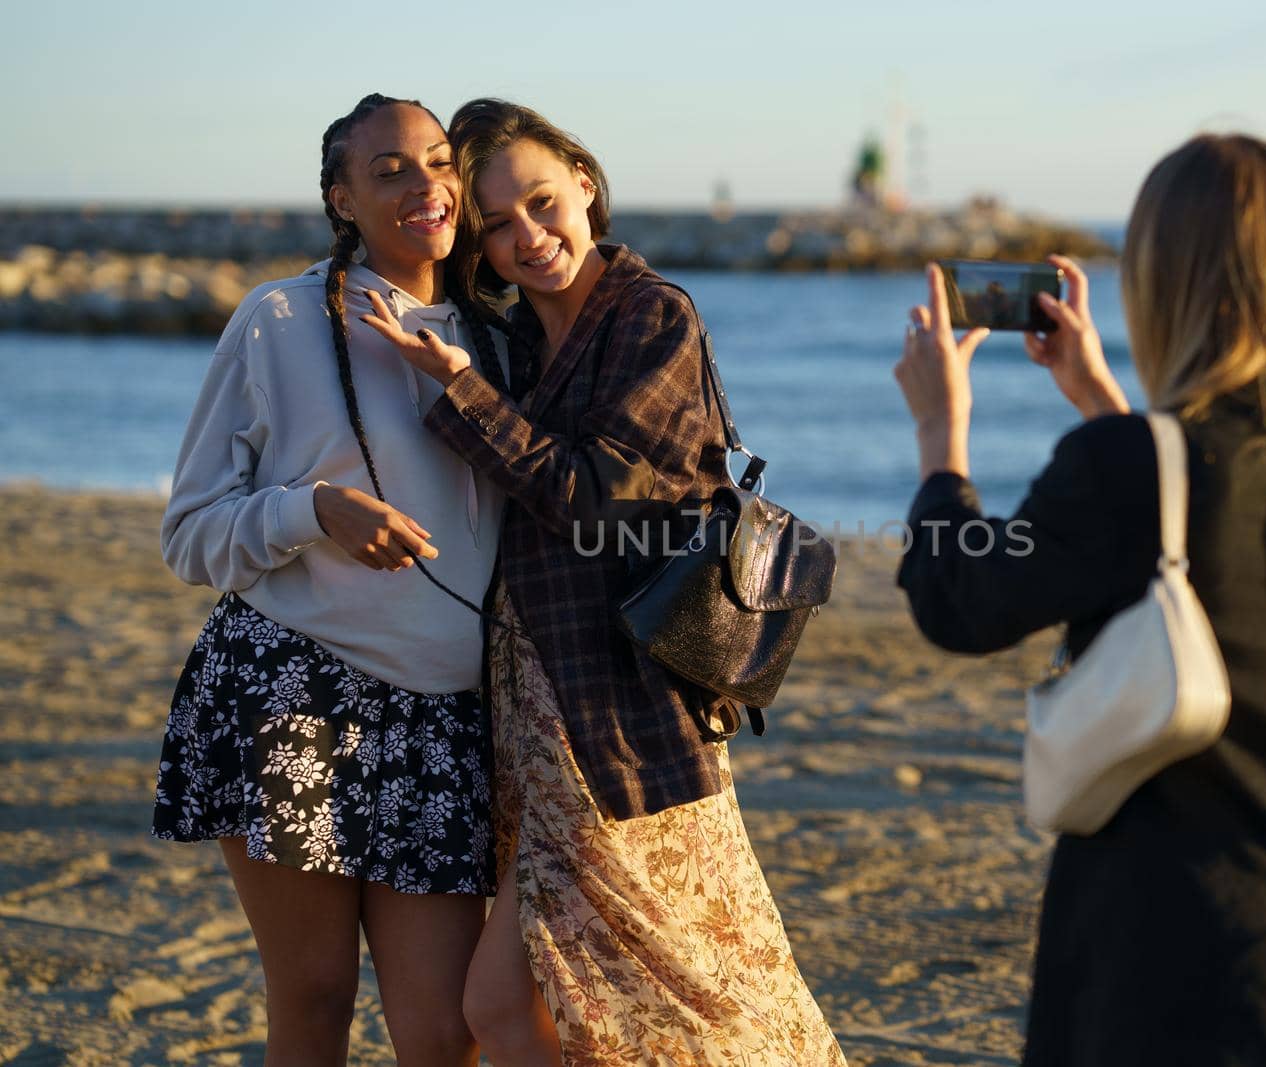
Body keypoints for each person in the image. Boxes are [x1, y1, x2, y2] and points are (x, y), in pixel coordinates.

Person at [893, 133, 1266, 1065]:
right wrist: (1102, 399)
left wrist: (941, 436)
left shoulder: (1131, 470)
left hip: (1182, 965)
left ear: (1165, 279)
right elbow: (1210, 545)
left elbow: (961, 600)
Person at [361, 98, 846, 1066]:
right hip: (536, 720)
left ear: (586, 184)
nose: (526, 236)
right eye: (494, 222)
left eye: (542, 202)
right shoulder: (520, 343)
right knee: (508, 1007)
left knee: (703, 994)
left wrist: (461, 393)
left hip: (618, 720)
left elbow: (600, 500)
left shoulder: (650, 314)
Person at [154, 93, 506, 1066]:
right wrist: (314, 510)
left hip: (445, 717)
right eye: (388, 169)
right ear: (340, 198)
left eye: (439, 162)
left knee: (443, 1031)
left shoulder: (505, 332)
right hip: (294, 690)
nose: (424, 185)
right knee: (312, 1000)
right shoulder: (277, 320)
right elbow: (187, 534)